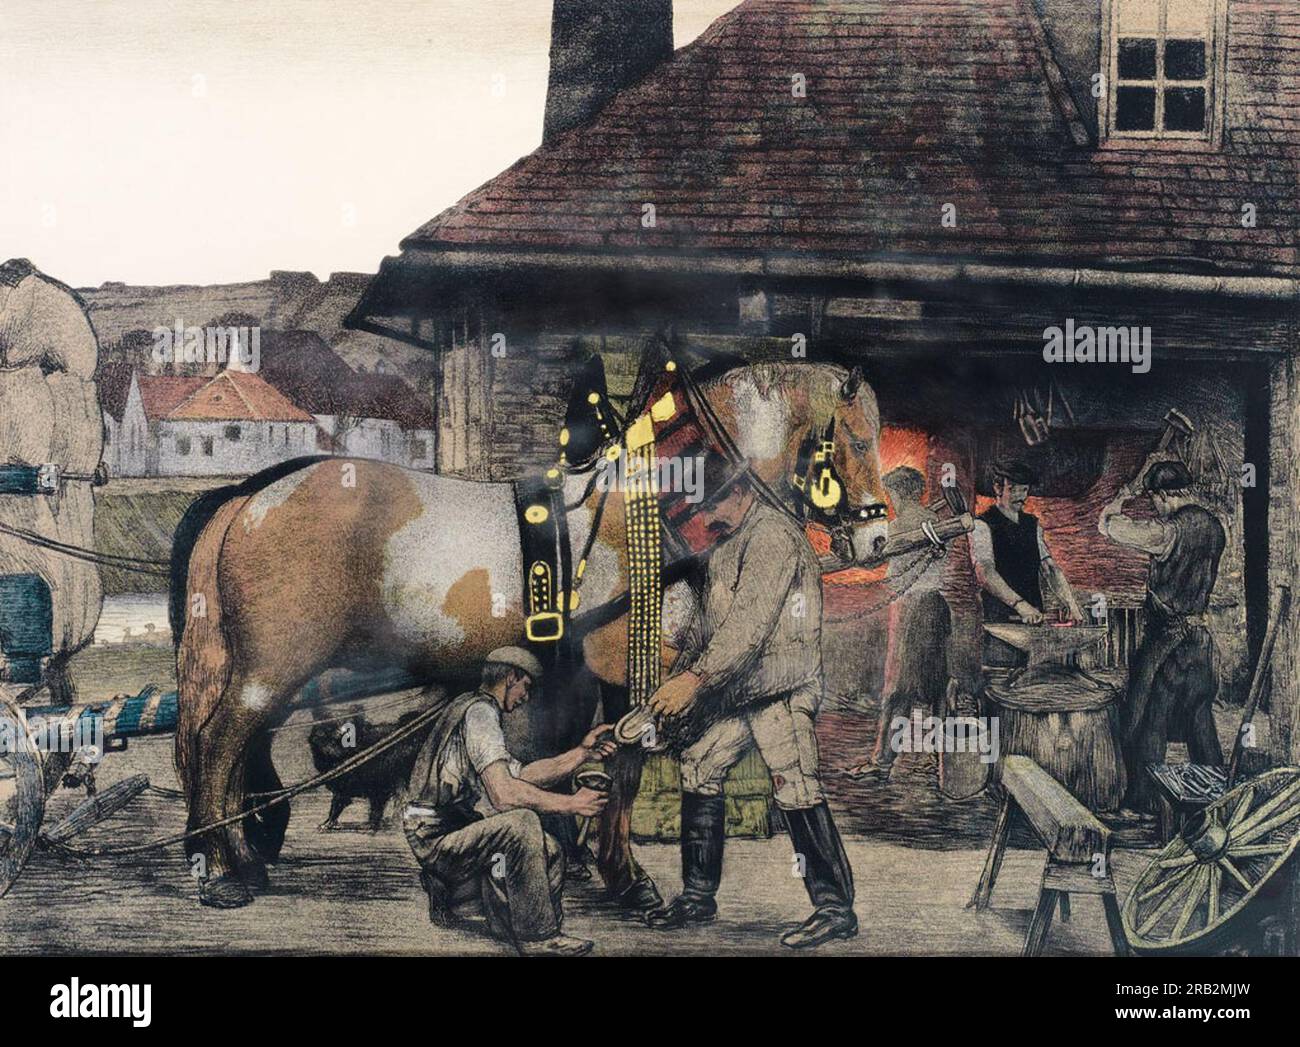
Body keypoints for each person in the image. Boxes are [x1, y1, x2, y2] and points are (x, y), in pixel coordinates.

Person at [643, 469, 856, 949]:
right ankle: (698, 896)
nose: (706, 516)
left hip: (782, 684)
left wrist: (695, 681)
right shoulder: (727, 544)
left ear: (739, 491)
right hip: (739, 689)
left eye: (713, 505)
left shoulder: (774, 536)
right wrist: (676, 674)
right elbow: (709, 625)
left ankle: (835, 908)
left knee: (795, 784)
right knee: (700, 764)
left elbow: (749, 624)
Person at [403, 646, 616, 957]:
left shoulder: (471, 707)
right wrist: (572, 804)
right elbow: (505, 795)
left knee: (551, 850)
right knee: (522, 823)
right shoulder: (480, 714)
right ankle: (538, 937)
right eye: (525, 687)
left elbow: (523, 775)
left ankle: (497, 918)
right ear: (511, 677)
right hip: (435, 835)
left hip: (448, 829)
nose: (525, 698)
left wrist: (583, 754)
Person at [1099, 458, 1226, 818]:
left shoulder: (1169, 531)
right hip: (1200, 639)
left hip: (1168, 640)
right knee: (1199, 716)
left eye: (1155, 499)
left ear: (1164, 496)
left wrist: (1117, 503)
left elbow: (1109, 527)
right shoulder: (1215, 527)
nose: (1154, 505)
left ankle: (1141, 804)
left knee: (1147, 716)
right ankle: (1216, 800)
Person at [847, 466, 950, 782]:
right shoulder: (934, 523)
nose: (890, 500)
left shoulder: (898, 527)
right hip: (935, 605)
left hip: (910, 608)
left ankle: (881, 763)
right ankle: (940, 761)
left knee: (897, 689)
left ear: (900, 493)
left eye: (891, 494)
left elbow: (867, 557)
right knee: (934, 687)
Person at [971, 460, 1084, 663]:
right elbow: (985, 572)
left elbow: (1050, 568)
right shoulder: (982, 525)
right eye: (1014, 489)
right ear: (998, 487)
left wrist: (1071, 604)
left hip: (1033, 622)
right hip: (1000, 621)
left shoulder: (1032, 525)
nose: (1021, 497)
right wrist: (1020, 605)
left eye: (1024, 490)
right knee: (1002, 674)